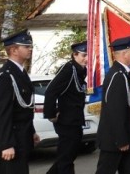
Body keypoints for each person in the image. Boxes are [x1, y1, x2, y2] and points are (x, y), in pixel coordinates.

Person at [0, 30, 40, 174]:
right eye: (26, 46)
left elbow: (25, 108)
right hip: (11, 138)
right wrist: (6, 144)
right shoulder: (5, 76)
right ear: (13, 50)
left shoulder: (20, 72)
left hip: (21, 137)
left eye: (30, 46)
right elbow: (1, 113)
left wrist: (32, 131)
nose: (30, 49)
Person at [95, 35, 130, 174]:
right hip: (114, 140)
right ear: (125, 53)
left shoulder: (123, 74)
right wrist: (121, 139)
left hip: (124, 137)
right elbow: (114, 111)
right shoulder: (117, 76)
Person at [43, 40, 89, 173]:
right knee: (66, 158)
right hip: (66, 120)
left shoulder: (81, 70)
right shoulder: (69, 69)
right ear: (74, 55)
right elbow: (51, 91)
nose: (86, 59)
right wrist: (51, 113)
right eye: (83, 55)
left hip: (75, 119)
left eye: (88, 56)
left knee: (68, 155)